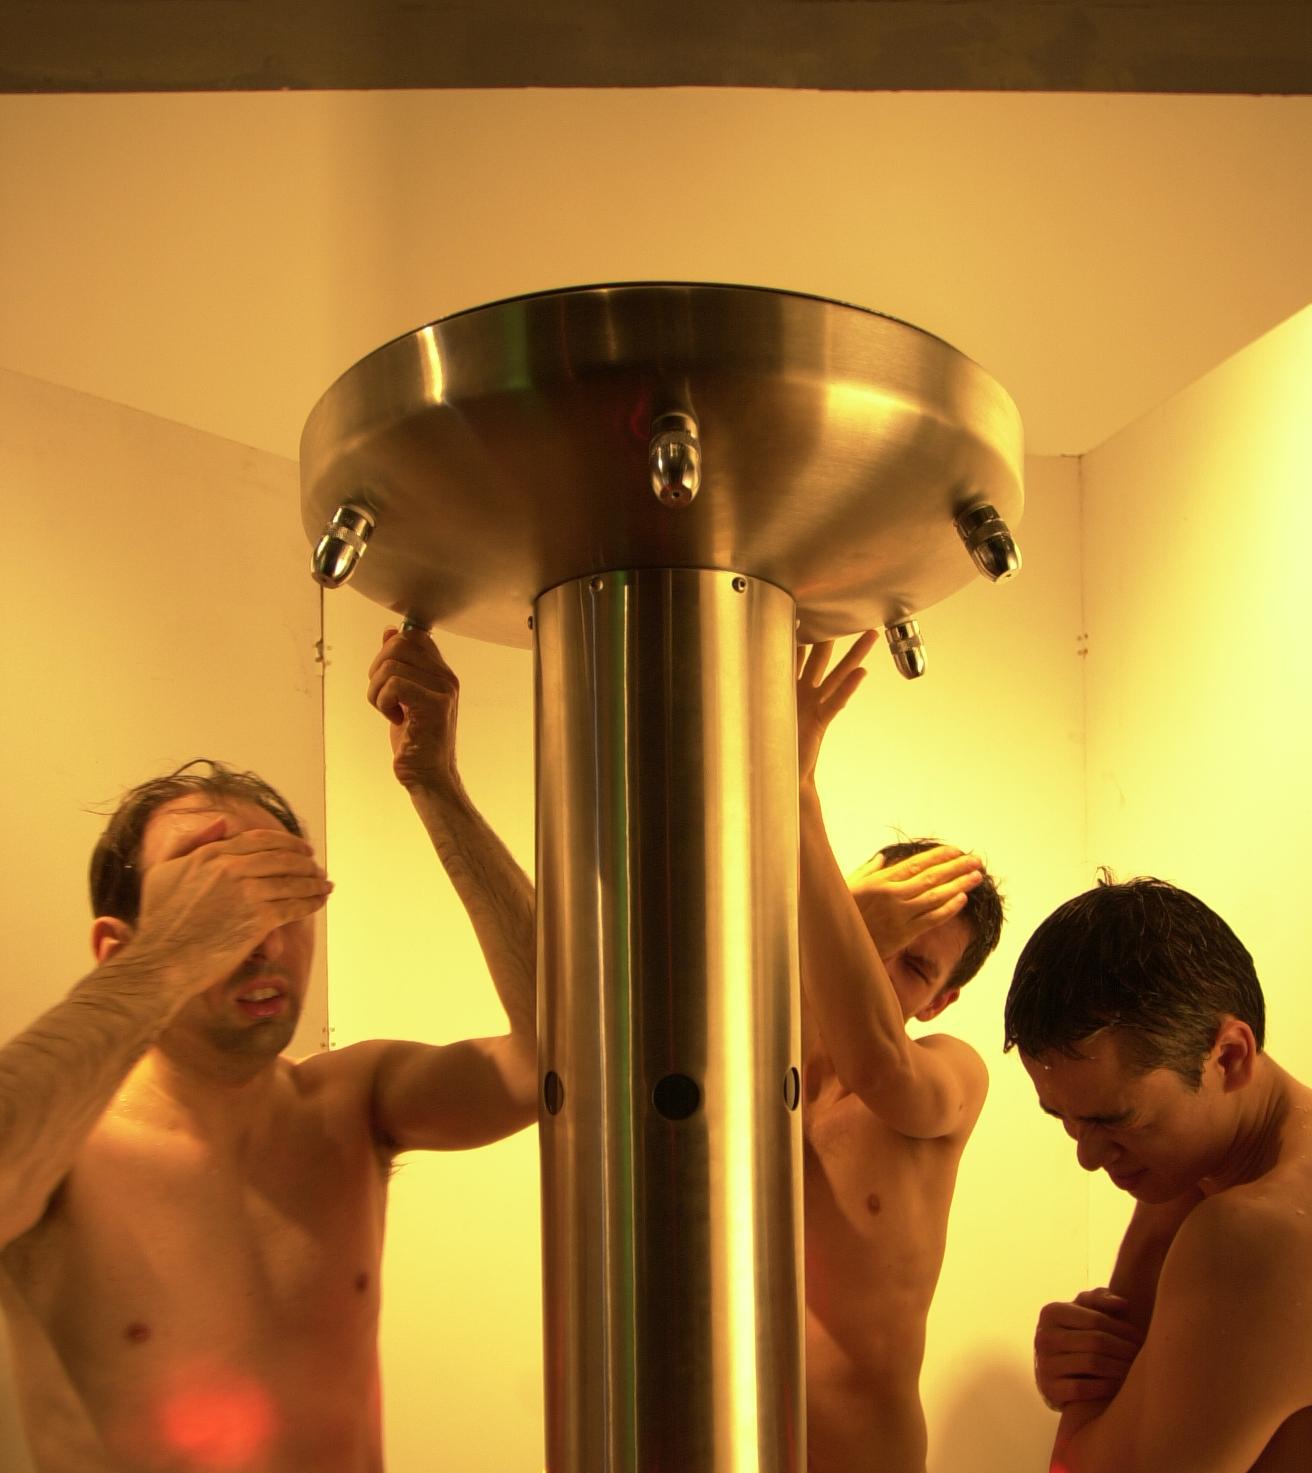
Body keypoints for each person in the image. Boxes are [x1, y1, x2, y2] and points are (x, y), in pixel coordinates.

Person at [0, 627, 536, 1473]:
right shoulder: (60, 1146)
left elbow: (560, 1058)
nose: (263, 936)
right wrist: (170, 959)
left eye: (280, 891)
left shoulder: (352, 1101)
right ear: (118, 948)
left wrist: (436, 784)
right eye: (215, 892)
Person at [1007, 875, 1312, 1473]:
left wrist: (1085, 1392)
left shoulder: (1255, 1233)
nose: (1088, 1157)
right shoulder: (1194, 1176)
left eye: (1115, 1120)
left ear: (1229, 1057)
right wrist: (1085, 1358)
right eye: (1064, 1119)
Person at [796, 634, 1005, 1473]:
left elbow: (880, 1065)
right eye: (872, 925)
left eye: (914, 963)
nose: (879, 962)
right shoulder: (742, 1050)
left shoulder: (952, 1076)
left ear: (940, 1000)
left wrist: (796, 790)